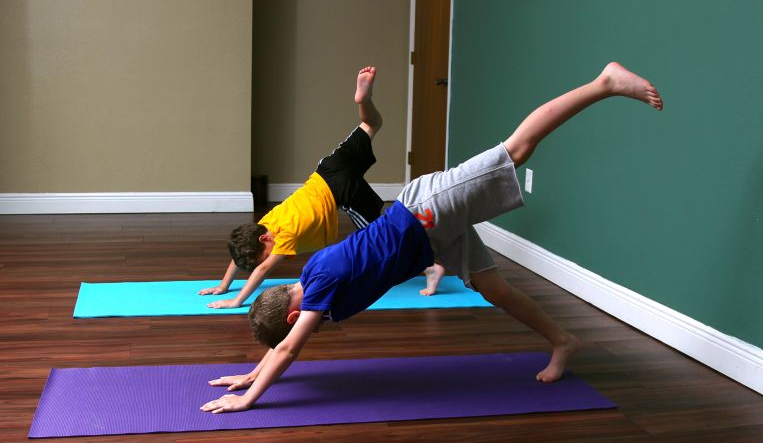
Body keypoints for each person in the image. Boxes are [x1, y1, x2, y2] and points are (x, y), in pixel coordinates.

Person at [200, 62, 664, 413]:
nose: (306, 328)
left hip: (425, 212)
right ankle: (563, 341)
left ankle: (604, 83)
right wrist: (250, 372)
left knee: (516, 150)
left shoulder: (320, 289)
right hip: (430, 239)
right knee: (493, 288)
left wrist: (250, 396)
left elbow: (288, 348)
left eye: (299, 322)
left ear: (296, 311)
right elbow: (282, 345)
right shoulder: (310, 282)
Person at [199, 66, 442, 308]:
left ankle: (430, 268)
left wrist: (236, 300)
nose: (268, 258)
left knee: (382, 235)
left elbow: (262, 269)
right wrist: (223, 285)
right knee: (371, 123)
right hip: (328, 168)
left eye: (264, 253)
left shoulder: (283, 236)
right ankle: (363, 100)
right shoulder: (268, 220)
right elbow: (245, 255)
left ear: (264, 238)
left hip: (342, 190)